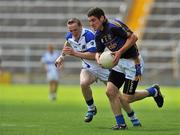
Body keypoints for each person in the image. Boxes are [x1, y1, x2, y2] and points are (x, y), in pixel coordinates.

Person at [87, 7, 164, 130]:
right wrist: (98, 59)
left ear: (102, 18)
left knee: (127, 98)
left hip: (133, 63)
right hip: (118, 63)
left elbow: (133, 37)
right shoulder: (98, 35)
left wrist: (119, 51)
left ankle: (153, 91)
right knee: (110, 92)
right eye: (89, 21)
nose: (91, 24)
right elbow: (98, 52)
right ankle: (121, 124)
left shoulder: (113, 26)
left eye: (93, 20)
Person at [55, 18, 110, 123]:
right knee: (83, 83)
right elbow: (67, 43)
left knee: (118, 96)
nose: (73, 33)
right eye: (70, 30)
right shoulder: (70, 35)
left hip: (103, 66)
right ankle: (91, 108)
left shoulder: (89, 36)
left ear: (81, 26)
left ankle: (134, 114)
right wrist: (61, 57)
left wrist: (75, 53)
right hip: (88, 67)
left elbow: (94, 55)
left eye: (75, 30)